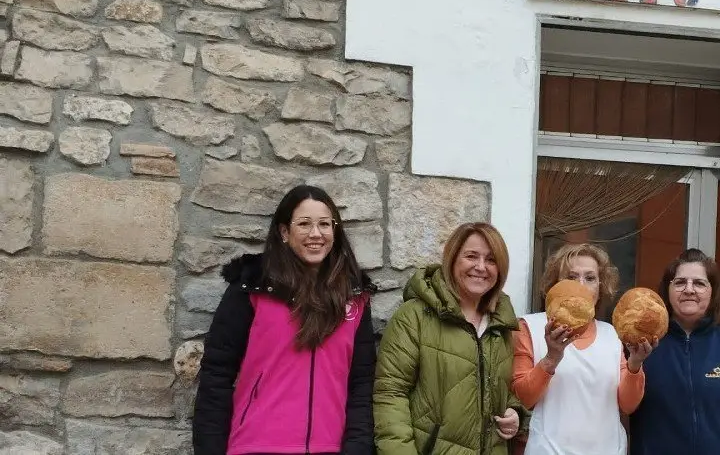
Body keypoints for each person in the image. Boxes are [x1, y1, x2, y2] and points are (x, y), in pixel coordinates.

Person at [192, 185, 375, 455]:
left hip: (330, 448)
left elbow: (361, 385)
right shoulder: (251, 289)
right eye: (304, 224)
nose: (316, 233)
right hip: (255, 445)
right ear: (284, 232)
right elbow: (216, 376)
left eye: (325, 224)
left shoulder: (355, 298)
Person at [374, 222, 526, 455]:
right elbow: (391, 394)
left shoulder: (501, 324)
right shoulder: (415, 316)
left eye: (491, 260)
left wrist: (514, 414)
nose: (481, 267)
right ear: (453, 259)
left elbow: (499, 390)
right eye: (471, 256)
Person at [628, 248, 720, 455]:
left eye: (699, 283)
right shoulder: (643, 347)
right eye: (680, 282)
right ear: (667, 290)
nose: (689, 290)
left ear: (712, 291)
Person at [511, 243, 655, 455]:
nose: (581, 285)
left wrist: (635, 364)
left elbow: (627, 405)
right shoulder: (529, 327)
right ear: (555, 284)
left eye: (590, 278)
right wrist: (551, 358)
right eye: (571, 277)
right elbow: (522, 399)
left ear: (600, 286)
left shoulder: (612, 334)